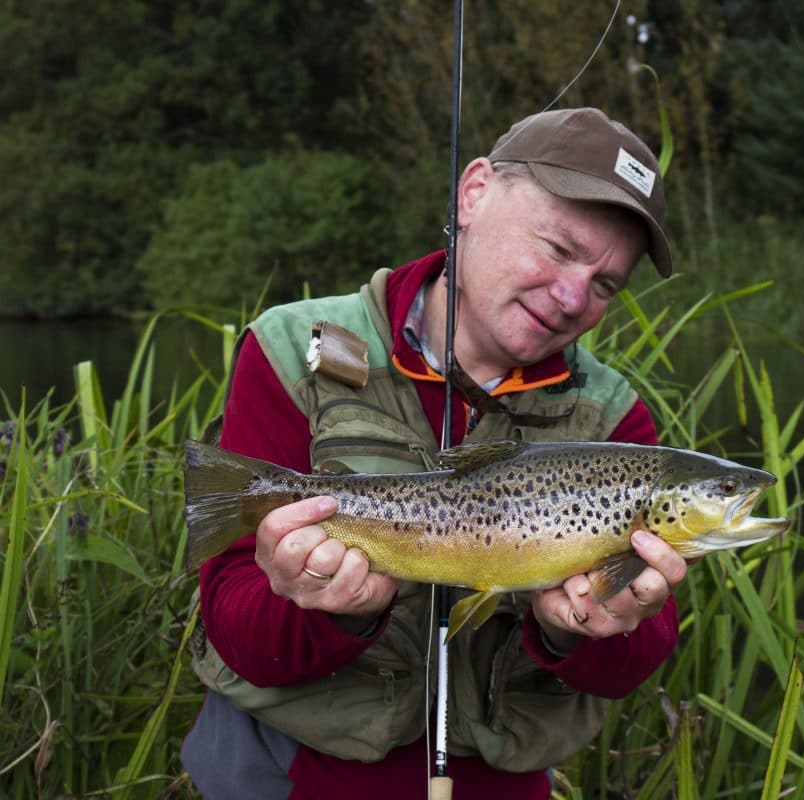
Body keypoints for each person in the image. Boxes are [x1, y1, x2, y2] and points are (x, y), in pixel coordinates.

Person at [181, 107, 686, 799]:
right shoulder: (296, 347)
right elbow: (239, 633)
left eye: (606, 285)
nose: (573, 297)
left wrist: (576, 632)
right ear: (474, 192)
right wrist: (342, 611)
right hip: (286, 774)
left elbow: (630, 661)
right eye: (559, 249)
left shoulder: (613, 415)